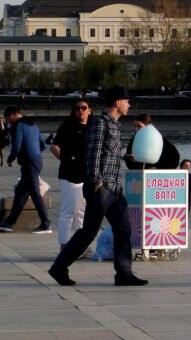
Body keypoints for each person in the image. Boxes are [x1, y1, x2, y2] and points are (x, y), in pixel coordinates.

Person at [48, 86, 149, 287]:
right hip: (101, 188)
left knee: (123, 229)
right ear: (117, 103)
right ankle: (59, 267)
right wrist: (96, 181)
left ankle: (124, 273)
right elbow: (92, 154)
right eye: (127, 101)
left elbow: (107, 155)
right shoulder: (100, 124)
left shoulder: (114, 125)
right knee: (89, 231)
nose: (129, 105)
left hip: (115, 188)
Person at [0, 106, 52, 234]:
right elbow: (43, 144)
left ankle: (45, 224)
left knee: (34, 192)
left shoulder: (19, 125)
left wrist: (10, 159)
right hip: (36, 161)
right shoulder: (32, 125)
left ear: (12, 115)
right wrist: (35, 154)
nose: (8, 121)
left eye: (8, 119)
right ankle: (9, 222)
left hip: (29, 163)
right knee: (20, 192)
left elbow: (17, 145)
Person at [49, 98, 92, 247]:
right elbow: (54, 146)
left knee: (82, 213)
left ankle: (80, 246)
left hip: (86, 175)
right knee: (68, 211)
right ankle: (64, 245)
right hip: (70, 175)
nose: (80, 110)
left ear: (89, 110)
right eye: (77, 108)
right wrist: (67, 161)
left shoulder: (92, 127)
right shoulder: (67, 126)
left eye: (84, 108)